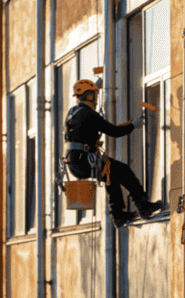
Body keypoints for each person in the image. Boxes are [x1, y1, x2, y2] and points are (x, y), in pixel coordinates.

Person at [64, 79, 163, 227]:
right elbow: (114, 131)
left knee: (111, 175)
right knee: (124, 170)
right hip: (84, 160)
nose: (96, 99)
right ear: (89, 96)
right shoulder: (89, 114)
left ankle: (118, 215)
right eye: (94, 95)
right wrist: (133, 125)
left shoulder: (73, 112)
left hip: (74, 161)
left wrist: (96, 85)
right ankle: (143, 206)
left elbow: (81, 131)